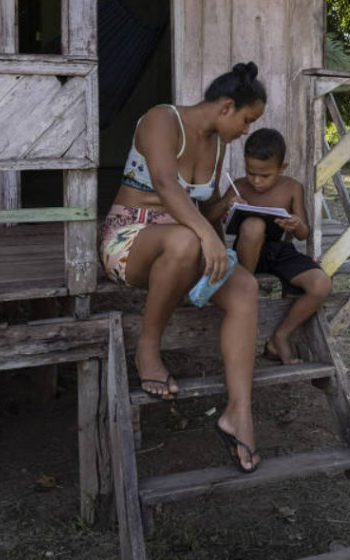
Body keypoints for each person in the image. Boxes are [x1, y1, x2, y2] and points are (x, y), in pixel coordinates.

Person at [99, 62, 265, 473]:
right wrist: (206, 235)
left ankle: (238, 412)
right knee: (188, 239)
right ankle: (148, 347)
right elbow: (166, 186)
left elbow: (201, 209)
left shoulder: (219, 146)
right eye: (247, 120)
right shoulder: (160, 119)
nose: (246, 131)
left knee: (245, 288)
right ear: (226, 107)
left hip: (185, 244)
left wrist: (224, 207)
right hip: (130, 238)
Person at [227, 128, 331, 365]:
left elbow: (304, 234)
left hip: (280, 251)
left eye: (265, 175)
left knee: (321, 284)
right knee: (253, 226)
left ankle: (279, 337)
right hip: (248, 253)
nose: (256, 181)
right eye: (251, 172)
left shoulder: (292, 187)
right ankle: (245, 289)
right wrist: (227, 203)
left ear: (282, 168)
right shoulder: (240, 187)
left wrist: (296, 224)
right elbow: (212, 214)